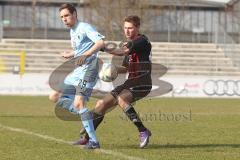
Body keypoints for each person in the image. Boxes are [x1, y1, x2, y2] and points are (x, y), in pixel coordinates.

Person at [76, 15, 152, 148]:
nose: (127, 31)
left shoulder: (141, 41)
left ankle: (143, 131)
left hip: (142, 82)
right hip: (130, 82)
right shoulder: (131, 45)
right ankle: (88, 137)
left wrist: (102, 47)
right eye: (125, 28)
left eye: (130, 28)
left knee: (122, 100)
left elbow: (121, 51)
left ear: (138, 27)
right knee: (101, 104)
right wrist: (111, 69)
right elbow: (125, 68)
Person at [48, 3, 105, 149]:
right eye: (62, 17)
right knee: (54, 96)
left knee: (79, 103)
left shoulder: (85, 27)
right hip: (78, 71)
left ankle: (94, 141)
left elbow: (100, 42)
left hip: (90, 69)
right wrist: (71, 54)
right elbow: (80, 49)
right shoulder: (72, 31)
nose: (64, 19)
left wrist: (86, 54)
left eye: (66, 15)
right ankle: (88, 115)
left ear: (75, 14)